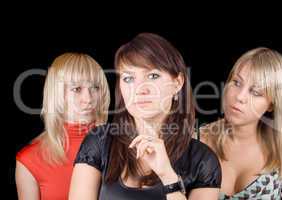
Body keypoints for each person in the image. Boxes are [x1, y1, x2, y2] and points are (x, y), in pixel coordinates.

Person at [69, 33, 222, 200]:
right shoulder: (99, 142)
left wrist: (168, 176)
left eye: (153, 76)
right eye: (128, 78)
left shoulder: (203, 161)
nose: (140, 88)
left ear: (177, 83)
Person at [199, 47, 282, 199]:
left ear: (272, 104)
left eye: (256, 92)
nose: (240, 97)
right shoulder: (195, 140)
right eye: (237, 82)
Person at [15, 52, 110, 200]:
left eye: (95, 87)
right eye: (77, 89)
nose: (88, 99)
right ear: (56, 94)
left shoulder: (122, 146)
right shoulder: (30, 159)